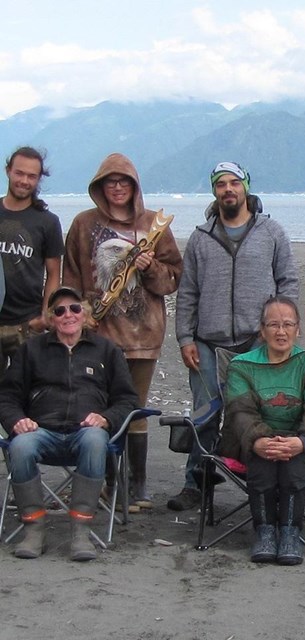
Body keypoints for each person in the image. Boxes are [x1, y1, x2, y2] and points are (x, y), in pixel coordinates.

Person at [169, 161, 299, 511]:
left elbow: (287, 282)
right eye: (221, 184)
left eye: (234, 183)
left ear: (246, 186)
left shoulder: (271, 232)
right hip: (208, 343)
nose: (228, 190)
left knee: (260, 413)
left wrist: (281, 329)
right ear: (214, 191)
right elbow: (187, 292)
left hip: (257, 344)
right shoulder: (200, 237)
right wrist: (185, 338)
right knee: (205, 415)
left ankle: (261, 481)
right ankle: (197, 482)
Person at [63, 153, 182, 510]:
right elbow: (70, 277)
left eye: (124, 181)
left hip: (144, 336)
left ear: (134, 185)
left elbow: (173, 278)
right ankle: (110, 483)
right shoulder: (83, 224)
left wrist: (150, 268)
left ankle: (138, 485)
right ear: (100, 186)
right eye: (111, 181)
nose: (117, 187)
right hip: (98, 336)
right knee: (100, 409)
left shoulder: (153, 225)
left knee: (136, 409)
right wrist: (77, 314)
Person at [0, 286, 139, 561]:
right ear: (51, 318)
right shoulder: (31, 350)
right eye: (60, 310)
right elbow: (6, 396)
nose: (68, 315)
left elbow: (127, 399)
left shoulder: (107, 350)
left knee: (94, 439)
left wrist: (107, 418)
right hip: (41, 430)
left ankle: (81, 531)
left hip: (85, 432)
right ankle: (34, 528)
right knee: (20, 446)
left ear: (85, 313)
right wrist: (17, 420)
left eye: (75, 308)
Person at [219, 296, 305, 564]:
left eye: (288, 324)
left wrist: (301, 441)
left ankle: (291, 532)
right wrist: (259, 440)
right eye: (273, 325)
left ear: (298, 329)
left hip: (303, 439)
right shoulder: (241, 365)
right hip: (252, 438)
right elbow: (240, 411)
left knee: (293, 459)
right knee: (264, 456)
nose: (281, 331)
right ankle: (265, 531)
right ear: (262, 330)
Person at [0, 146, 64, 378]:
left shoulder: (47, 222)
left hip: (27, 322)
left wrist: (45, 315)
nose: (24, 181)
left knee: (28, 393)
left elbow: (54, 273)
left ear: (38, 179)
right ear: (8, 171)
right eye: (19, 173)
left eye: (31, 176)